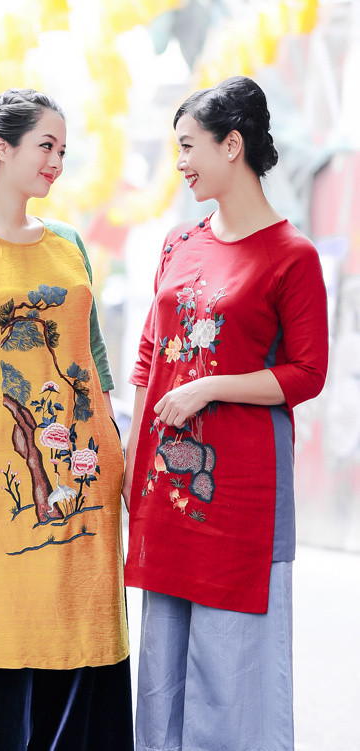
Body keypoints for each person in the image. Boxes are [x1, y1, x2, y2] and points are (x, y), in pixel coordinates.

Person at [0, 88, 133, 751]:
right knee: (1, 623)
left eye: (63, 150)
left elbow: (94, 354)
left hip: (85, 461)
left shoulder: (69, 243)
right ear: (2, 148)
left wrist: (115, 447)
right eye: (46, 146)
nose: (57, 162)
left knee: (83, 618)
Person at [123, 76, 328, 751]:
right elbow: (150, 354)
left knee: (231, 675)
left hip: (242, 494)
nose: (180, 162)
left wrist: (211, 387)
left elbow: (307, 373)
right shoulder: (177, 243)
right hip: (167, 489)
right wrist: (132, 462)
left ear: (232, 145)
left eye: (189, 146)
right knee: (162, 672)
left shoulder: (292, 256)